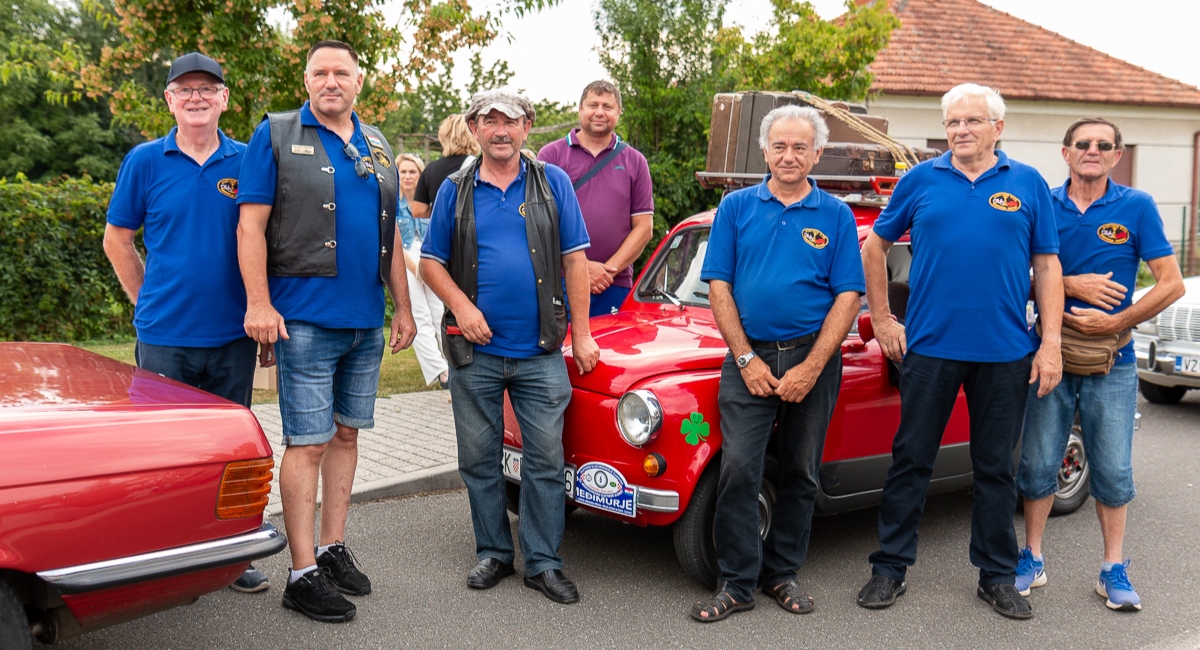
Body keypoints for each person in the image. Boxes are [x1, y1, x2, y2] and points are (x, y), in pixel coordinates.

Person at [856, 83, 1063, 620]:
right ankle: (889, 568)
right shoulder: (921, 180)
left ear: (998, 127)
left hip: (1006, 351)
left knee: (995, 468)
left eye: (972, 121)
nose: (961, 130)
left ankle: (995, 576)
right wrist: (881, 318)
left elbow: (1046, 265)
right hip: (930, 348)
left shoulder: (1029, 183)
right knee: (911, 460)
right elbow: (875, 246)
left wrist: (1051, 344)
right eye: (952, 123)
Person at [235, 39, 417, 623]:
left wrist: (404, 309)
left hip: (365, 320)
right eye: (321, 72)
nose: (331, 81)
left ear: (359, 82)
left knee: (346, 436)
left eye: (342, 72)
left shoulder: (378, 142)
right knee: (307, 442)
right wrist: (259, 303)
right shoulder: (276, 134)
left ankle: (333, 548)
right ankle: (302, 572)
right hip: (305, 320)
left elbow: (390, 237)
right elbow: (250, 226)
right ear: (307, 79)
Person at [419, 89, 600, 605]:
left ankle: (543, 563)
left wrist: (582, 333)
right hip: (473, 352)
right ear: (473, 129)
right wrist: (465, 309)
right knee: (479, 457)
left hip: (541, 352)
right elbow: (430, 262)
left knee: (545, 460)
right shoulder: (455, 188)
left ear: (527, 128)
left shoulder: (553, 182)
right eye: (489, 120)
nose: (500, 129)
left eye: (510, 121)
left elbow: (574, 262)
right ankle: (494, 552)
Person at [103, 52, 270, 594]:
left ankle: (230, 552)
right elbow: (118, 239)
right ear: (169, 99)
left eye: (207, 89)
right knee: (164, 453)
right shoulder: (146, 161)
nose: (196, 97)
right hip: (165, 338)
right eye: (185, 89)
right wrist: (143, 300)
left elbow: (266, 239)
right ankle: (166, 550)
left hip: (232, 336)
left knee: (229, 453)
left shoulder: (249, 161)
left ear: (225, 99)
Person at [691, 105, 864, 622]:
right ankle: (738, 582)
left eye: (800, 147)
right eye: (780, 146)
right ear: (765, 151)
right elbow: (718, 285)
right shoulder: (737, 208)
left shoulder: (835, 215)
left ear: (817, 154)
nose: (789, 156)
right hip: (750, 358)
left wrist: (811, 366)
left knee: (801, 472)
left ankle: (783, 573)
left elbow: (849, 295)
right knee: (740, 469)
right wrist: (745, 358)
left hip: (813, 358)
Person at [1015, 117, 1185, 611]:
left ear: (1116, 155)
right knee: (1038, 462)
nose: (1093, 150)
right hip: (1048, 352)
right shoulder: (1042, 201)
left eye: (1103, 145)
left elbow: (1172, 283)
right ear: (1065, 152)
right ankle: (1032, 557)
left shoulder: (1137, 206)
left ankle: (1112, 569)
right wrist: (1072, 284)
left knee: (1112, 468)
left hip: (1115, 359)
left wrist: (1116, 322)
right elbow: (1015, 273)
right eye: (1083, 143)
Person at [537, 81, 654, 316]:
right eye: (593, 105)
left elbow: (644, 228)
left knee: (609, 352)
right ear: (580, 109)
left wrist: (608, 271)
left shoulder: (635, 161)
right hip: (559, 280)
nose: (600, 112)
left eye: (608, 107)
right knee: (563, 350)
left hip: (614, 284)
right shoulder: (551, 156)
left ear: (619, 112)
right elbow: (541, 225)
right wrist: (582, 269)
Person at [396, 152, 450, 390]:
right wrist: (415, 269)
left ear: (421, 174)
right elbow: (393, 241)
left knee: (440, 314)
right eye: (403, 172)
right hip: (405, 261)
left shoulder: (430, 202)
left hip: (431, 259)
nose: (407, 176)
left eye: (413, 172)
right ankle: (441, 371)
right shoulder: (391, 203)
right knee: (420, 316)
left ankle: (453, 364)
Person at [410, 114, 481, 219]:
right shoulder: (478, 166)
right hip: (471, 231)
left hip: (442, 231)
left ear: (443, 136)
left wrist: (442, 211)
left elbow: (418, 211)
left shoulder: (431, 169)